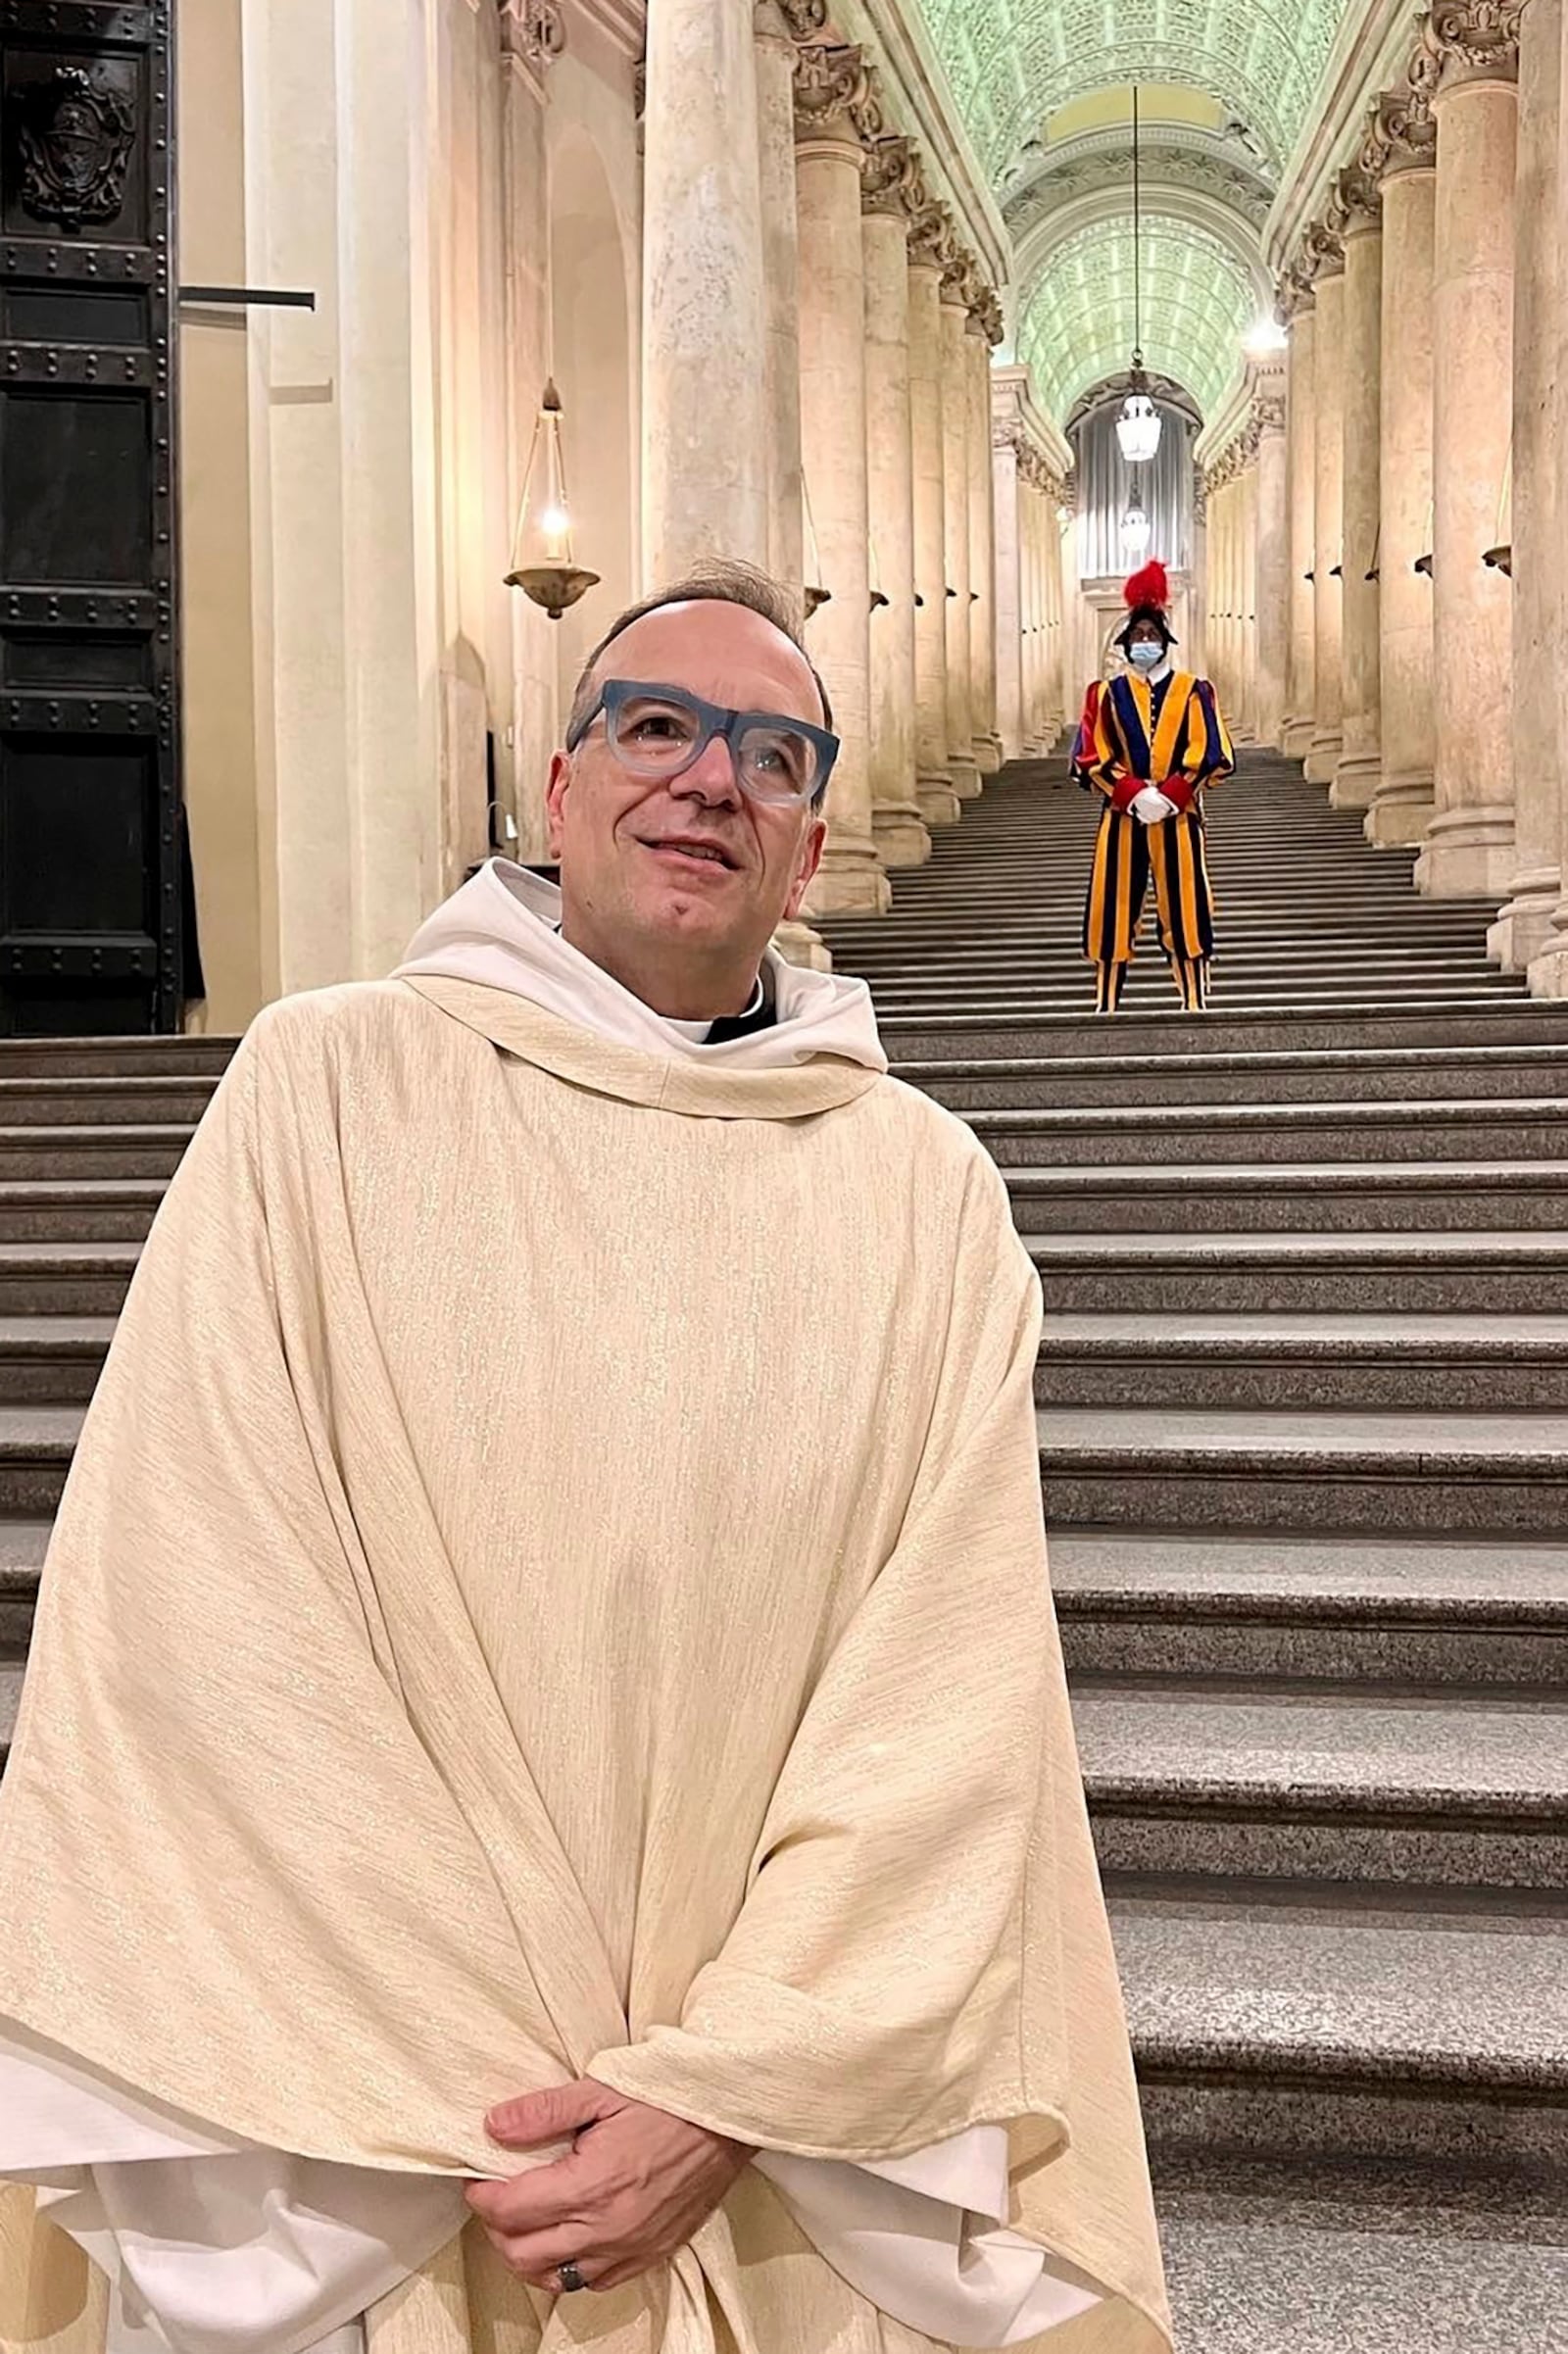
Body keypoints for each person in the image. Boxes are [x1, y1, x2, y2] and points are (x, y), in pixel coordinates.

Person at [0, 564, 1170, 2354]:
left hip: (775, 2155)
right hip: (373, 2116)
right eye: (655, 725)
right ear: (560, 790)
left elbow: (951, 1694)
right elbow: (197, 1611)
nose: (709, 777)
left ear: (812, 844)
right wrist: (495, 2078)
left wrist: (726, 2086)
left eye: (770, 756)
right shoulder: (325, 1091)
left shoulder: (922, 1194)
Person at [1071, 561, 1234, 1013]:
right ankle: (1105, 1003)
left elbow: (1213, 752)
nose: (1145, 642)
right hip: (1123, 818)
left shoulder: (1195, 690)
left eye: (1151, 635)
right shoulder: (1104, 695)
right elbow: (1090, 755)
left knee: (1186, 908)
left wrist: (1172, 795)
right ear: (1126, 643)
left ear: (1165, 640)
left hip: (1179, 818)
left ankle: (1195, 1001)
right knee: (1112, 908)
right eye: (1137, 636)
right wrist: (1132, 793)